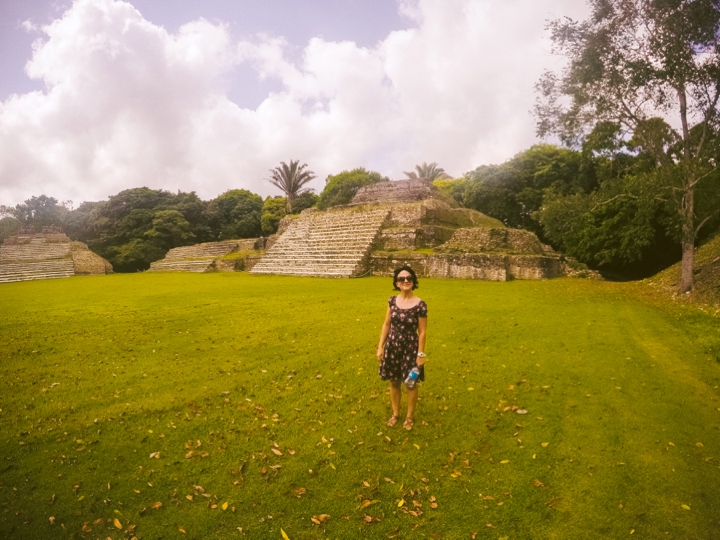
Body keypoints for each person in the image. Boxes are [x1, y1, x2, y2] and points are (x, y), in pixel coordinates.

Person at [376, 266, 428, 431]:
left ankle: (409, 417)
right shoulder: (392, 301)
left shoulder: (420, 305)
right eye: (401, 279)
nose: (405, 281)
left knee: (410, 383)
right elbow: (386, 324)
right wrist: (380, 347)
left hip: (410, 349)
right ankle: (396, 414)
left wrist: (420, 354)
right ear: (397, 283)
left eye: (409, 278)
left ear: (413, 282)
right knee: (394, 381)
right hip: (392, 347)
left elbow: (422, 332)